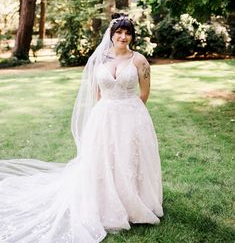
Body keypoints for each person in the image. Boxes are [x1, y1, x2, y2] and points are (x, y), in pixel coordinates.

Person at [0, 13, 163, 243]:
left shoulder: (139, 61)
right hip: (103, 115)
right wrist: (104, 115)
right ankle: (105, 199)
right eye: (119, 32)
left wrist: (130, 114)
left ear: (132, 36)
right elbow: (97, 92)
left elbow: (144, 93)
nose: (123, 36)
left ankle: (133, 202)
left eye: (128, 33)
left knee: (129, 158)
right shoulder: (100, 59)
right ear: (112, 34)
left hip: (131, 115)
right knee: (103, 159)